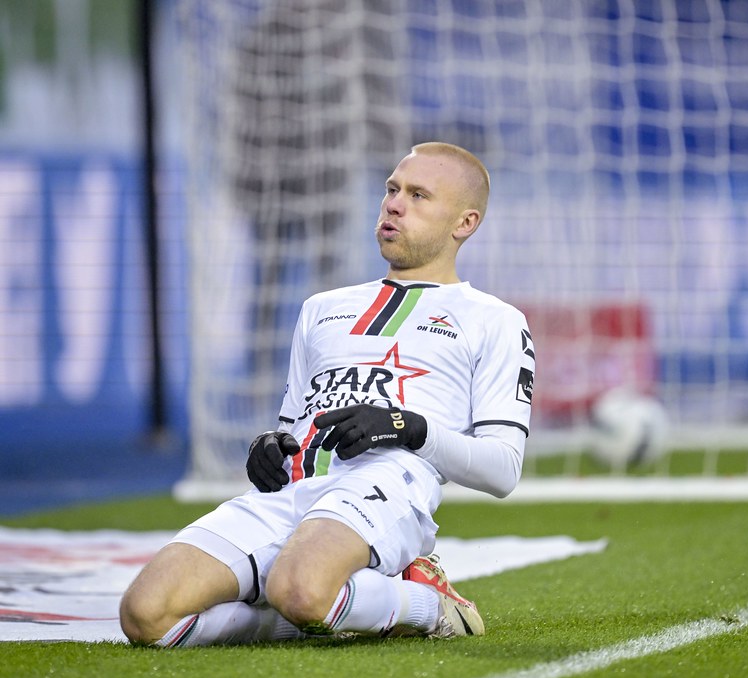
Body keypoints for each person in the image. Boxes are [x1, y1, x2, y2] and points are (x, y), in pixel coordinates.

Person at [120, 142, 535, 646]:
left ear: (464, 223)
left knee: (299, 588)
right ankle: (315, 605)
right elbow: (295, 421)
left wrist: (411, 428)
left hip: (385, 490)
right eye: (392, 189)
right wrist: (269, 445)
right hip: (290, 493)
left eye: (419, 195)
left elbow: (503, 469)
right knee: (145, 615)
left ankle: (428, 603)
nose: (394, 204)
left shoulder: (495, 321)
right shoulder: (322, 307)